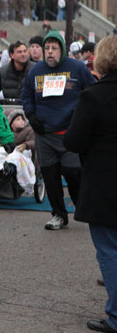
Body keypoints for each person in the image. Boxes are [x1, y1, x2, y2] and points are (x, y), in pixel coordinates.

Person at [63, 36, 117, 333]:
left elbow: (73, 140)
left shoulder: (94, 96)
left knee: (109, 250)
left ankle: (116, 315)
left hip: (105, 185)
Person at [21, 30, 95, 230]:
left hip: (70, 134)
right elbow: (26, 95)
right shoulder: (36, 71)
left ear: (62, 49)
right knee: (50, 176)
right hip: (44, 133)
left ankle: (83, 209)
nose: (50, 52)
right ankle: (59, 215)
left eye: (54, 48)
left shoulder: (77, 68)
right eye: (47, 48)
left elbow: (92, 92)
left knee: (74, 174)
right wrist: (31, 115)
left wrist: (82, 119)